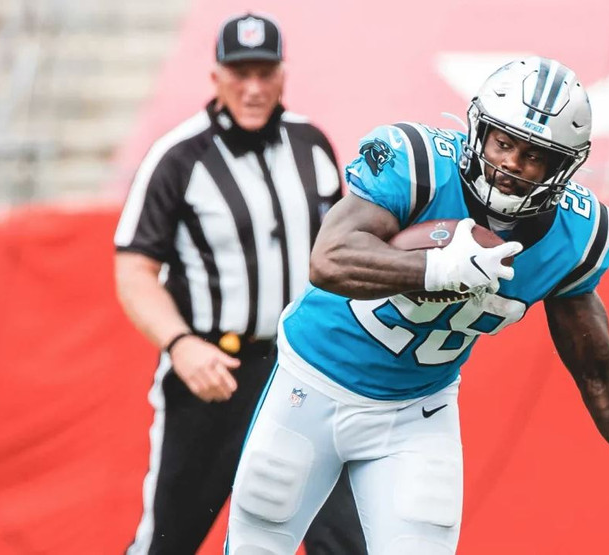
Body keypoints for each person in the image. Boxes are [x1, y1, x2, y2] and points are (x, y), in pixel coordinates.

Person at [226, 56, 609, 554]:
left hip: (415, 411)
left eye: (534, 155)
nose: (512, 164)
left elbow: (597, 369)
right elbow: (328, 260)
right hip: (313, 382)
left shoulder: (575, 236)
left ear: (562, 167)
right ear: (480, 131)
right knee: (257, 543)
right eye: (504, 143)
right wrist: (436, 269)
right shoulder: (419, 166)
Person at [113, 13, 366, 555]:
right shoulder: (178, 157)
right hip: (215, 373)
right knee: (168, 541)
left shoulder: (312, 143)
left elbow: (340, 252)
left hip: (303, 371)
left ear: (283, 75)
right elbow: (134, 269)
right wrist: (181, 345)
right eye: (239, 73)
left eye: (264, 72)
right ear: (216, 77)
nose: (253, 88)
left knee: (343, 537)